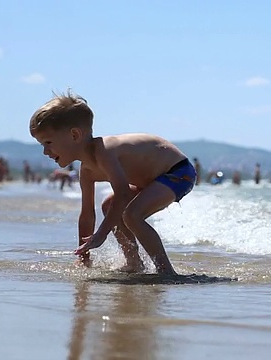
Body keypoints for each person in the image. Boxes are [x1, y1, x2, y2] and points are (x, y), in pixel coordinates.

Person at [29, 91, 196, 275]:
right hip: (151, 181)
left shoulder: (105, 151)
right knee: (109, 206)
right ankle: (134, 262)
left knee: (132, 215)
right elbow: (86, 215)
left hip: (178, 172)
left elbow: (123, 194)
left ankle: (166, 271)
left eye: (48, 143)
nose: (45, 151)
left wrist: (101, 234)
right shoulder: (86, 171)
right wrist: (84, 255)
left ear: (75, 135)